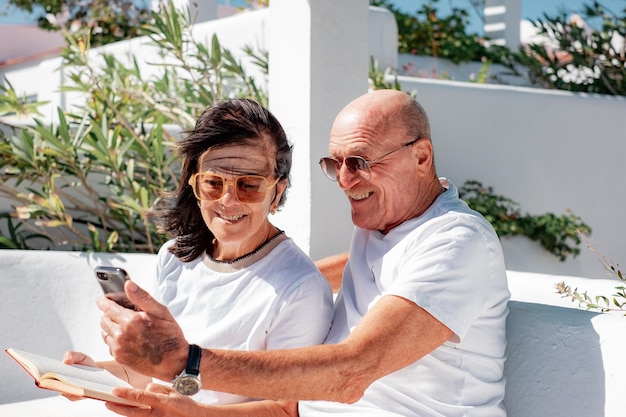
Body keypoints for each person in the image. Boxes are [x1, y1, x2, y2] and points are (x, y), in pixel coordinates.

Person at [100, 89, 511, 417]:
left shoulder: (457, 241)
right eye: (336, 164)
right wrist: (266, 276)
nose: (345, 180)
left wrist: (183, 361)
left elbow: (350, 373)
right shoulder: (393, 224)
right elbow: (376, 270)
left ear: (420, 156)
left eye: (360, 162)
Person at [63, 98, 334, 408]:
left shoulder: (301, 289)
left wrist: (190, 412)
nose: (228, 200)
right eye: (212, 183)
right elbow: (159, 373)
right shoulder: (175, 257)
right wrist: (92, 375)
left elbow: (287, 410)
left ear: (277, 192)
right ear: (194, 185)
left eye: (248, 185)